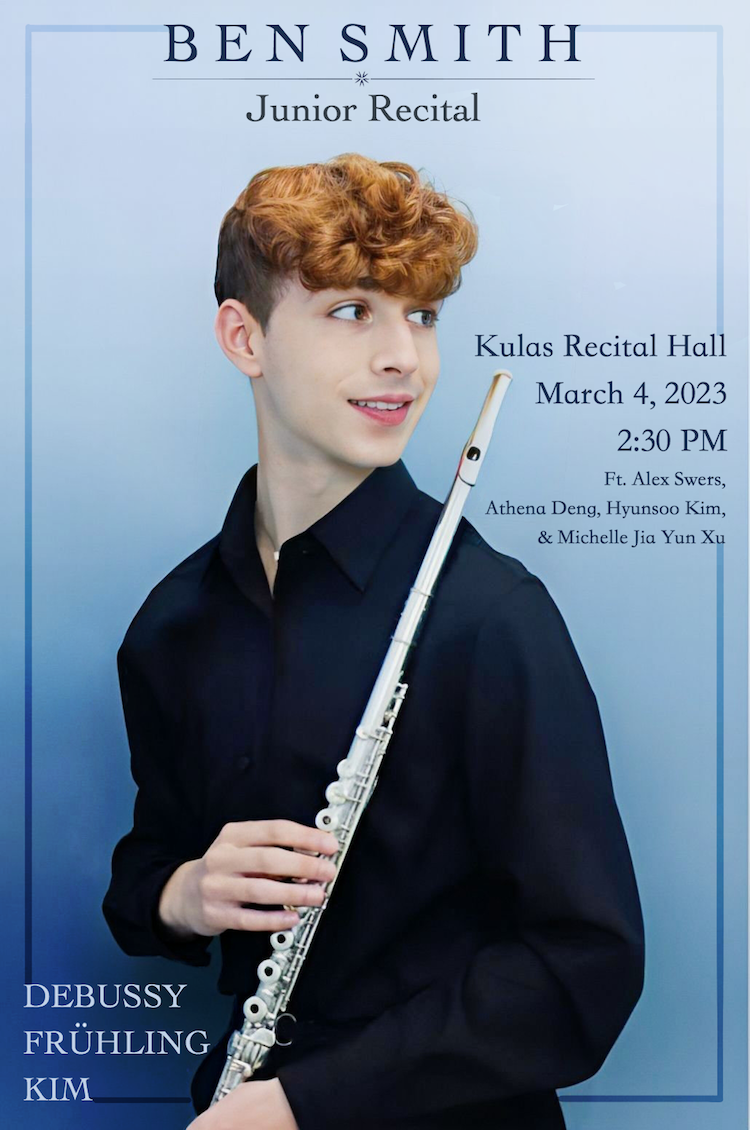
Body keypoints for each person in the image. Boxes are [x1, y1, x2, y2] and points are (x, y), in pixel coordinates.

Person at [103, 153, 644, 1130]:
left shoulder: (488, 616)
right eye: (353, 310)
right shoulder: (174, 622)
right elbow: (144, 872)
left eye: (423, 314)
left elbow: (584, 962)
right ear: (245, 336)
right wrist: (186, 890)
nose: (406, 356)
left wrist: (304, 1103)